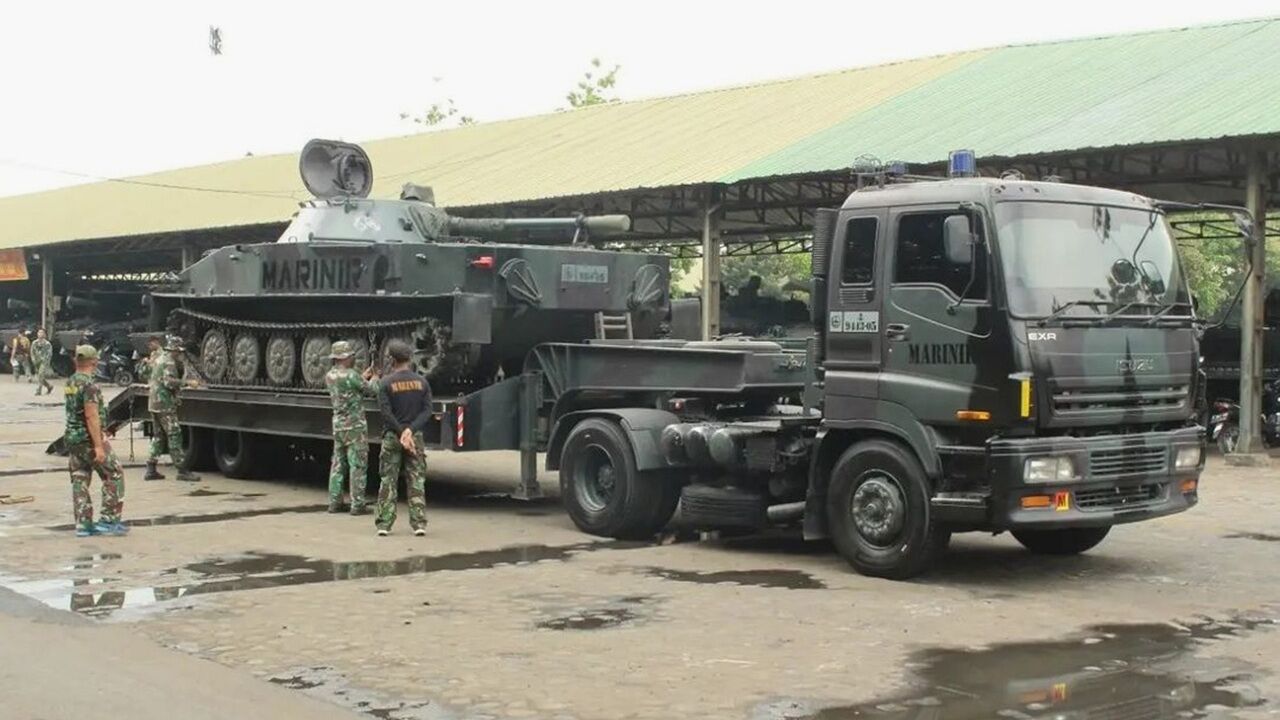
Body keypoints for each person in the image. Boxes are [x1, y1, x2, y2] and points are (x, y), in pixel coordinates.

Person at [63, 345, 126, 537]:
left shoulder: (71, 382)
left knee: (80, 477)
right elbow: (91, 416)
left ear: (76, 361)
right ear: (94, 362)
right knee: (114, 474)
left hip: (73, 438)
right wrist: (99, 445)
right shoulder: (90, 385)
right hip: (88, 438)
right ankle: (109, 520)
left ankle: (83, 524)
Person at [375, 339, 431, 537]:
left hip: (392, 437)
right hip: (415, 438)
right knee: (416, 479)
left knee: (388, 479)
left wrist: (400, 432)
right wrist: (410, 431)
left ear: (391, 360)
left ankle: (384, 523)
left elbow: (386, 413)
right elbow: (427, 411)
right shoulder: (422, 382)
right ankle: (419, 523)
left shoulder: (385, 383)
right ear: (410, 358)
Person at [325, 340, 377, 514]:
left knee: (338, 464)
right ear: (344, 357)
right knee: (358, 464)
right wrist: (375, 379)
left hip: (339, 425)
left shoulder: (330, 376)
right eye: (351, 355)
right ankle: (357, 504)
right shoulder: (352, 375)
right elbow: (371, 390)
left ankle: (334, 502)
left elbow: (351, 385)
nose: (353, 358)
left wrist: (362, 376)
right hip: (355, 426)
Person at [145, 335, 200, 481]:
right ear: (174, 349)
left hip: (154, 403)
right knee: (174, 434)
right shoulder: (169, 362)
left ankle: (151, 468)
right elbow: (169, 382)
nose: (180, 354)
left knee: (158, 436)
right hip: (164, 404)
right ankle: (182, 470)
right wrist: (187, 383)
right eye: (179, 351)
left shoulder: (159, 358)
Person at [31, 327, 54, 395]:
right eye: (39, 332)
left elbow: (49, 354)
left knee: (41, 374)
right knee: (40, 377)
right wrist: (33, 359)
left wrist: (45, 361)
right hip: (36, 362)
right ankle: (49, 386)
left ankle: (39, 390)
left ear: (45, 335)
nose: (40, 334)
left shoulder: (47, 344)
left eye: (42, 332)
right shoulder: (34, 343)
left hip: (44, 362)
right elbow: (32, 352)